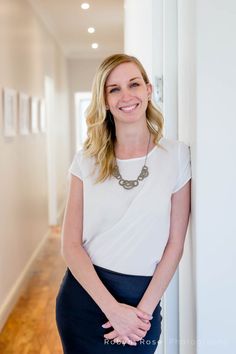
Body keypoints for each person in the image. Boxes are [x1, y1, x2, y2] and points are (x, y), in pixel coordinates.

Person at [56, 53, 191, 354]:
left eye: (133, 84)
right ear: (103, 100)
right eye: (114, 89)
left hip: (144, 304)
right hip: (86, 301)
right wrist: (113, 311)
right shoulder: (85, 161)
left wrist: (141, 313)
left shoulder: (177, 156)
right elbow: (70, 246)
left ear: (148, 90)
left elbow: (175, 244)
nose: (126, 96)